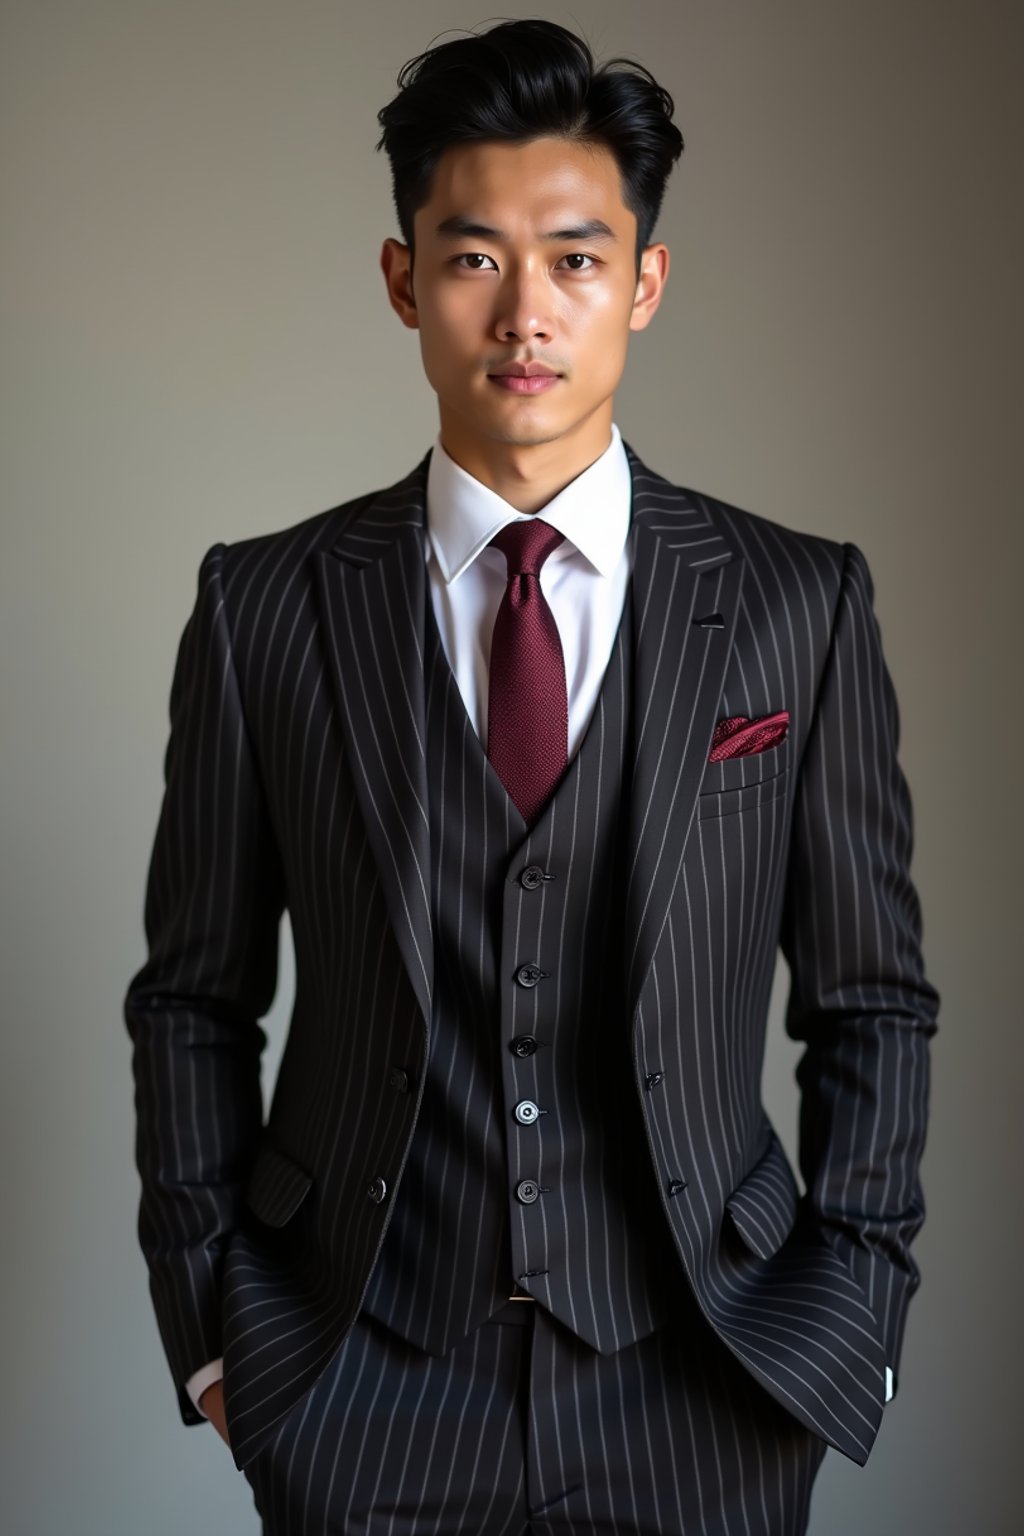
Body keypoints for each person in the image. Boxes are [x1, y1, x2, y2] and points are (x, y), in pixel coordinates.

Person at [123, 17, 939, 1535]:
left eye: (573, 258)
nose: (526, 314)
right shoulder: (266, 610)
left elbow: (870, 1000)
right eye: (474, 257)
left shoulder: (790, 606)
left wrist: (856, 1323)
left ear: (643, 284)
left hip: (708, 1379)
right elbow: (193, 998)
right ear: (402, 281)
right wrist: (218, 1328)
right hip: (361, 1382)